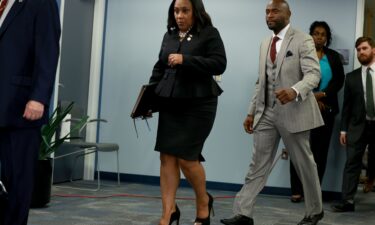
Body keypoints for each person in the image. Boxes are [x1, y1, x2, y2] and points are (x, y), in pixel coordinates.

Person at [220, 1, 324, 225]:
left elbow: (313, 75)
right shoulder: (265, 43)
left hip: (294, 112)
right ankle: (243, 213)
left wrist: (295, 90)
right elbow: (261, 81)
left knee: (304, 164)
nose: (269, 15)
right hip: (266, 113)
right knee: (257, 164)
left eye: (275, 11)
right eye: (267, 11)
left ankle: (315, 211)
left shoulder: (303, 39)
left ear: (288, 14)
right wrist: (251, 112)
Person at [148, 0, 226, 224]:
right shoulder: (169, 36)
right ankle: (168, 212)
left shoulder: (209, 33)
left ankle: (203, 202)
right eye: (176, 10)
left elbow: (219, 64)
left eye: (185, 10)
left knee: (187, 158)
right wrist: (148, 102)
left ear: (196, 12)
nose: (179, 15)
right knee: (167, 157)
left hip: (199, 104)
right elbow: (159, 68)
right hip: (171, 104)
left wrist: (186, 60)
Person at [0, 0, 61, 224]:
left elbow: (48, 51)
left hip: (21, 108)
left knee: (17, 180)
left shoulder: (42, 4)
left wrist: (38, 98)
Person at [289, 21, 345, 203]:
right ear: (310, 35)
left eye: (323, 34)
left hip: (326, 109)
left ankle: (314, 191)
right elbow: (296, 78)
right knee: (300, 149)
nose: (319, 37)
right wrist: (311, 98)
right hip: (302, 106)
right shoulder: (302, 55)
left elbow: (338, 81)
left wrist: (322, 95)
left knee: (320, 152)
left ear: (327, 38)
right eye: (315, 33)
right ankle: (297, 190)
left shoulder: (334, 57)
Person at [331, 37, 375, 212]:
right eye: (358, 49)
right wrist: (343, 130)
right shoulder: (351, 77)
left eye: (364, 48)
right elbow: (347, 107)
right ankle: (347, 201)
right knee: (352, 163)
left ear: (373, 50)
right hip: (358, 127)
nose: (360, 52)